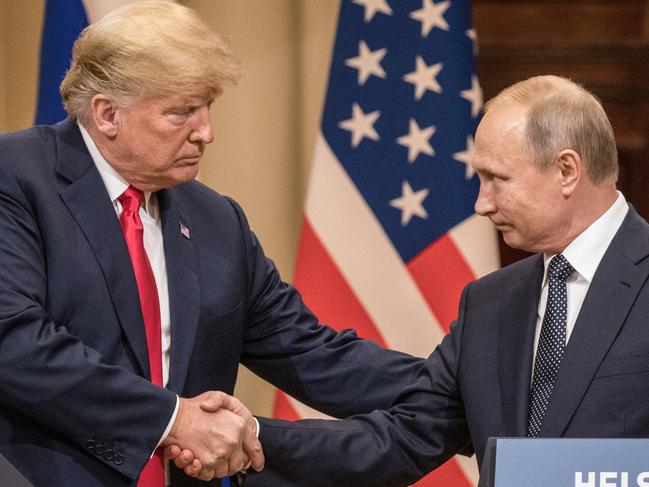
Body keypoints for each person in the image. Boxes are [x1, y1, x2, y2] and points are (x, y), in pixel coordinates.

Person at [0, 2, 423, 486]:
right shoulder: (15, 179)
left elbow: (310, 351)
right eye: (182, 112)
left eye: (207, 107)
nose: (206, 132)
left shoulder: (216, 218)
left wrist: (462, 386)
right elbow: (14, 344)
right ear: (107, 113)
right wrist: (175, 419)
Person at [243, 75, 649, 486]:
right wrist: (248, 440)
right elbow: (404, 436)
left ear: (566, 170)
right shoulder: (490, 303)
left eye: (497, 179)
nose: (481, 203)